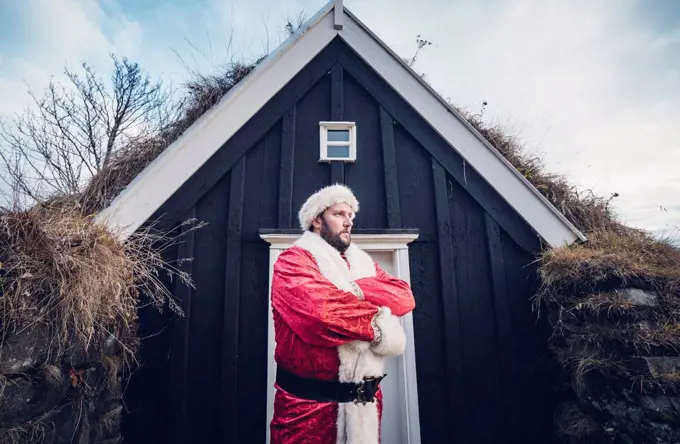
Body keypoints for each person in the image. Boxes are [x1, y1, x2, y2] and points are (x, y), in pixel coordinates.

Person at [269, 183, 416, 444]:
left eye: (350, 216)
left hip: (363, 406)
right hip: (307, 411)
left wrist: (350, 289)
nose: (348, 222)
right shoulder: (292, 261)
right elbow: (322, 314)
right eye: (339, 214)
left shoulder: (360, 264)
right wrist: (382, 324)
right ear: (316, 220)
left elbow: (403, 297)